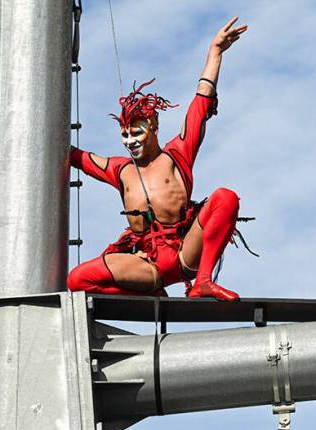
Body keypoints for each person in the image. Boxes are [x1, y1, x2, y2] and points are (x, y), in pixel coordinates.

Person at [67, 17, 248, 301]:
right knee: (77, 280)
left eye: (136, 132)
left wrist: (215, 53)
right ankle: (150, 293)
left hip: (185, 252)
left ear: (153, 127)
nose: (130, 141)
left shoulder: (177, 154)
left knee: (226, 197)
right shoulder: (120, 170)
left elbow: (200, 106)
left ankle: (202, 281)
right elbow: (73, 156)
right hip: (147, 266)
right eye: (124, 134)